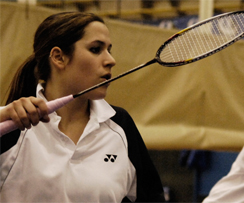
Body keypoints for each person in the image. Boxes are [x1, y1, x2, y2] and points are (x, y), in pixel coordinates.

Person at [0, 12, 164, 202]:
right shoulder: (13, 126)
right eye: (96, 49)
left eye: (109, 50)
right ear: (59, 57)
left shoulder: (120, 126)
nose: (111, 60)